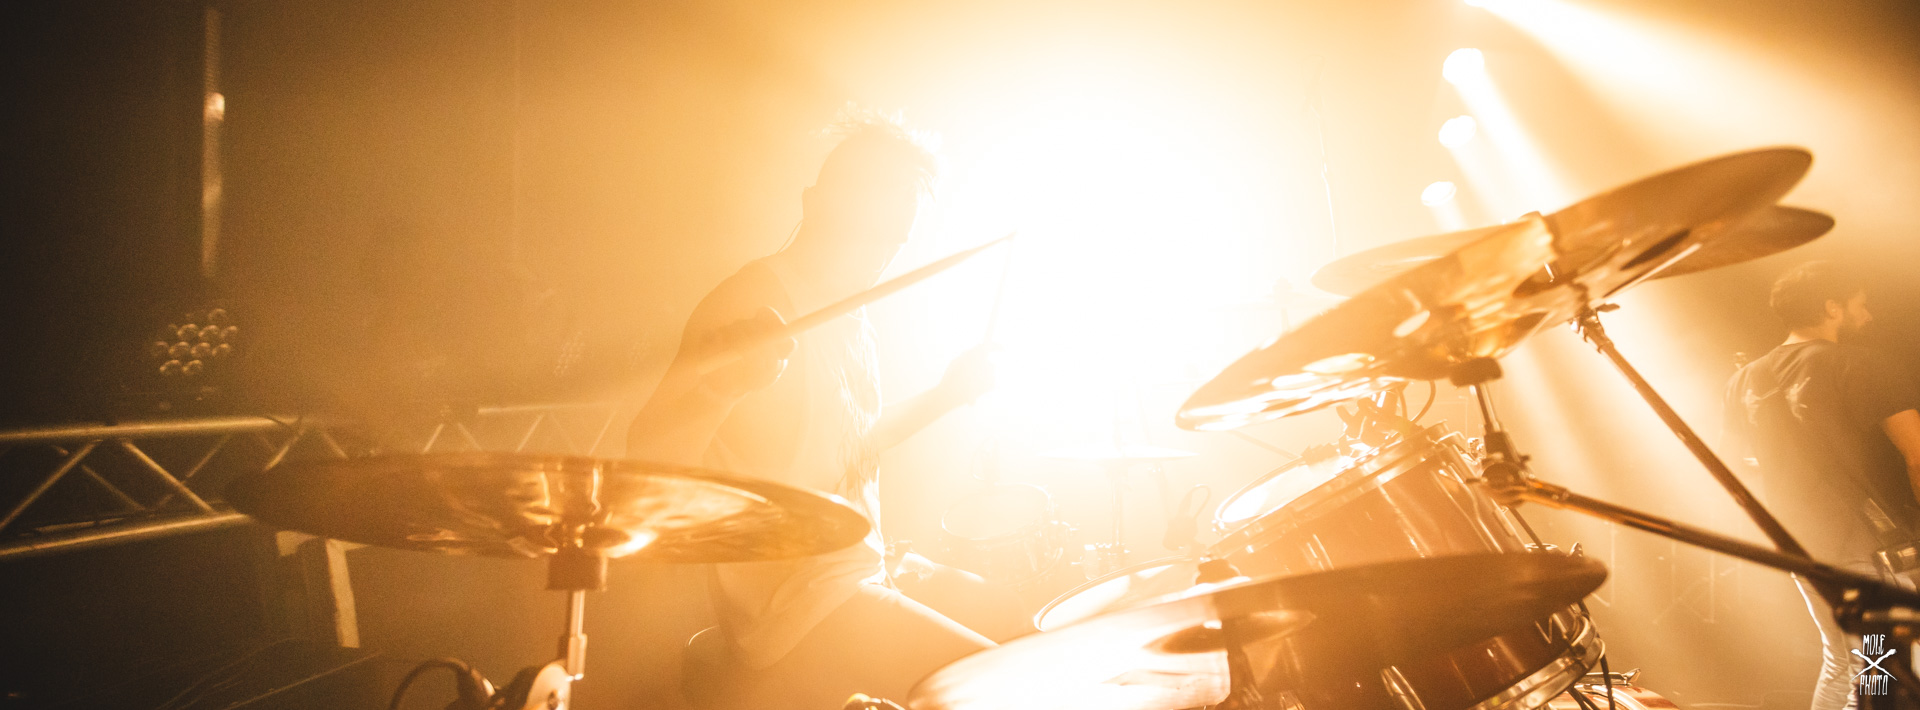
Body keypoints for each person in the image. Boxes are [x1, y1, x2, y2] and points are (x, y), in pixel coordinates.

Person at [626, 110, 1005, 710]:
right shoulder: (753, 299)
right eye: (865, 226)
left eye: (895, 237)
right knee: (1012, 689)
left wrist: (947, 394)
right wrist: (722, 388)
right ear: (815, 203)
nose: (878, 252)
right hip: (795, 609)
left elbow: (853, 443)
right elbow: (646, 453)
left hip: (854, 576)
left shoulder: (852, 312)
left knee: (1024, 618)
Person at [1722, 261, 1920, 710]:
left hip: (1797, 543)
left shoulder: (1744, 380)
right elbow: (1916, 454)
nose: (1867, 316)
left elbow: (1735, 469)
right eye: (1860, 305)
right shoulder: (1860, 363)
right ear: (1832, 307)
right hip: (1866, 546)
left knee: (1848, 661)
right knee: (1878, 671)